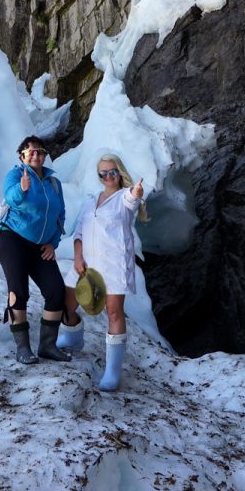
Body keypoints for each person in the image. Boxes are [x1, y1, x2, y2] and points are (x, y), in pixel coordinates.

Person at [58, 152, 145, 391]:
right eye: (103, 173)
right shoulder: (91, 200)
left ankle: (112, 372)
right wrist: (77, 257)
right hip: (86, 264)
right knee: (67, 302)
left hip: (114, 264)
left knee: (114, 312)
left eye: (112, 172)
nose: (108, 176)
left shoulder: (123, 199)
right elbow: (79, 232)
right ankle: (73, 336)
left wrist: (135, 193)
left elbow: (132, 199)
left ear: (119, 173)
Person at [0, 135, 72, 364]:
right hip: (12, 239)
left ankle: (47, 346)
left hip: (40, 247)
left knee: (56, 291)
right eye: (31, 152)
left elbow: (60, 215)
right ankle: (23, 348)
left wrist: (53, 243)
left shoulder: (53, 184)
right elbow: (11, 198)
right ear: (22, 156)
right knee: (18, 291)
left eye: (40, 152)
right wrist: (22, 188)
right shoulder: (16, 175)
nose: (36, 155)